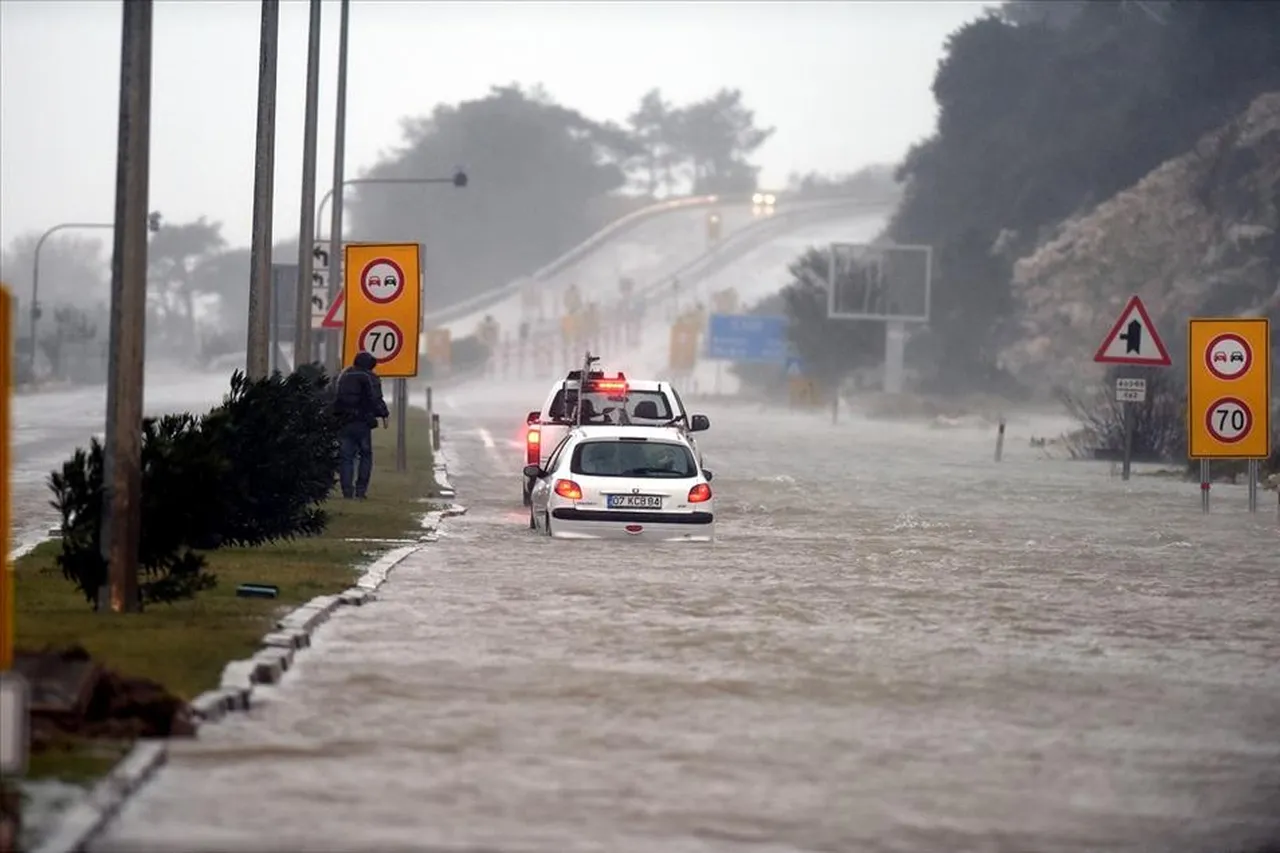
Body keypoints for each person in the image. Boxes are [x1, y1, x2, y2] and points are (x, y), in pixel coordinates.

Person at [332, 351, 390, 499]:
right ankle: (361, 491)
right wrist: (383, 413)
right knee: (365, 455)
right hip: (362, 422)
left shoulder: (343, 376)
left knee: (346, 457)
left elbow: (336, 398)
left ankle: (347, 492)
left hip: (344, 422)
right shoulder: (369, 377)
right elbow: (375, 399)